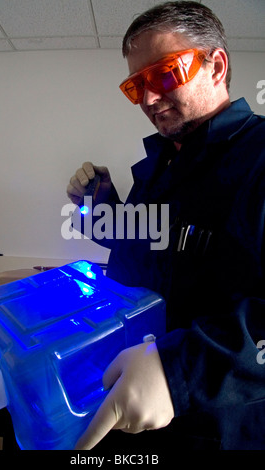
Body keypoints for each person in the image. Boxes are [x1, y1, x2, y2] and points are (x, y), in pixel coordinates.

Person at [66, 1, 265, 450]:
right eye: (137, 86)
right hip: (126, 403)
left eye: (163, 74)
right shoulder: (157, 168)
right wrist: (100, 206)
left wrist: (178, 371)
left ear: (216, 66)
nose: (149, 99)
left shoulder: (260, 157)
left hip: (218, 426)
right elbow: (139, 249)